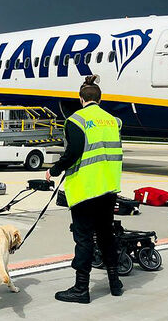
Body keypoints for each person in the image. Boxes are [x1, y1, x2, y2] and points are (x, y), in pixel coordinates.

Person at [46, 74, 123, 304]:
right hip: (108, 188)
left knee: (84, 238)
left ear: (81, 99)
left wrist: (54, 170)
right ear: (100, 99)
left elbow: (74, 152)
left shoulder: (76, 120)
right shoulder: (113, 121)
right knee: (106, 235)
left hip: (86, 189)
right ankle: (115, 283)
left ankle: (81, 288)